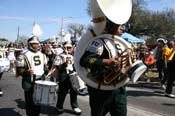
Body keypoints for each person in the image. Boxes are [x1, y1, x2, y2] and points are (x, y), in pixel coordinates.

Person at [80, 19, 127, 116]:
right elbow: (85, 60)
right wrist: (106, 61)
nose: (123, 28)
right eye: (120, 26)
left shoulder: (123, 43)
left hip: (119, 89)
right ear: (112, 26)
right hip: (101, 90)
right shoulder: (99, 42)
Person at [15, 36, 49, 116]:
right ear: (30, 44)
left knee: (38, 101)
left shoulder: (42, 55)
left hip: (40, 81)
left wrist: (47, 71)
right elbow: (19, 70)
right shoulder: (23, 55)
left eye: (37, 44)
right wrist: (26, 72)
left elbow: (44, 68)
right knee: (29, 102)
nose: (36, 45)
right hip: (29, 82)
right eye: (33, 44)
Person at [52, 42, 82, 114]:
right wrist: (65, 64)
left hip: (73, 75)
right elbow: (57, 67)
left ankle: (75, 106)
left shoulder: (74, 55)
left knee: (74, 91)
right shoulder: (60, 56)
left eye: (70, 47)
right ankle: (59, 106)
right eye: (67, 47)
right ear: (64, 47)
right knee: (62, 92)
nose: (69, 49)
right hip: (64, 75)